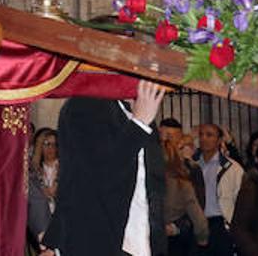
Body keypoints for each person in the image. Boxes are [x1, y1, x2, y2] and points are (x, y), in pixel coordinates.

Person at [43, 82, 167, 256]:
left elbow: (153, 187)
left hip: (142, 243)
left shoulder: (143, 115)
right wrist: (138, 125)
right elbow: (91, 177)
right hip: (96, 241)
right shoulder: (84, 105)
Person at [196, 122, 244, 256]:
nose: (204, 138)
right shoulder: (192, 164)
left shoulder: (232, 168)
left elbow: (241, 200)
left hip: (220, 223)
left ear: (219, 140)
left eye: (209, 135)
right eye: (201, 135)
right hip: (197, 222)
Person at [162, 137, 208, 256]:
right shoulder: (183, 184)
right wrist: (202, 239)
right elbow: (198, 217)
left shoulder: (146, 181)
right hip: (178, 243)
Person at [28, 128, 60, 247]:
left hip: (61, 218)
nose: (51, 148)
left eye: (54, 144)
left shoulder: (66, 168)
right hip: (41, 221)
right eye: (47, 144)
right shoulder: (33, 172)